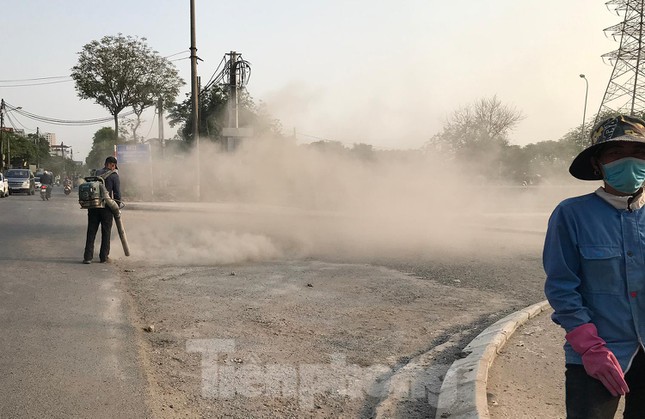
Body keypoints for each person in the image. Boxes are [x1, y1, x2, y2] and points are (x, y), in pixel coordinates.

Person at [544, 114, 645, 418]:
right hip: (596, 352)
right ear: (598, 164)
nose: (629, 161)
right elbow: (562, 287)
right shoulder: (571, 215)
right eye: (616, 153)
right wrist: (589, 347)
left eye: (639, 153)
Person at [83, 156, 121, 264]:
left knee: (91, 232)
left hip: (93, 206)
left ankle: (87, 257)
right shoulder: (114, 176)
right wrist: (116, 208)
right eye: (114, 166)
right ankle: (104, 257)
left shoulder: (95, 173)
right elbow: (117, 193)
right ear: (112, 165)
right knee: (106, 232)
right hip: (106, 208)